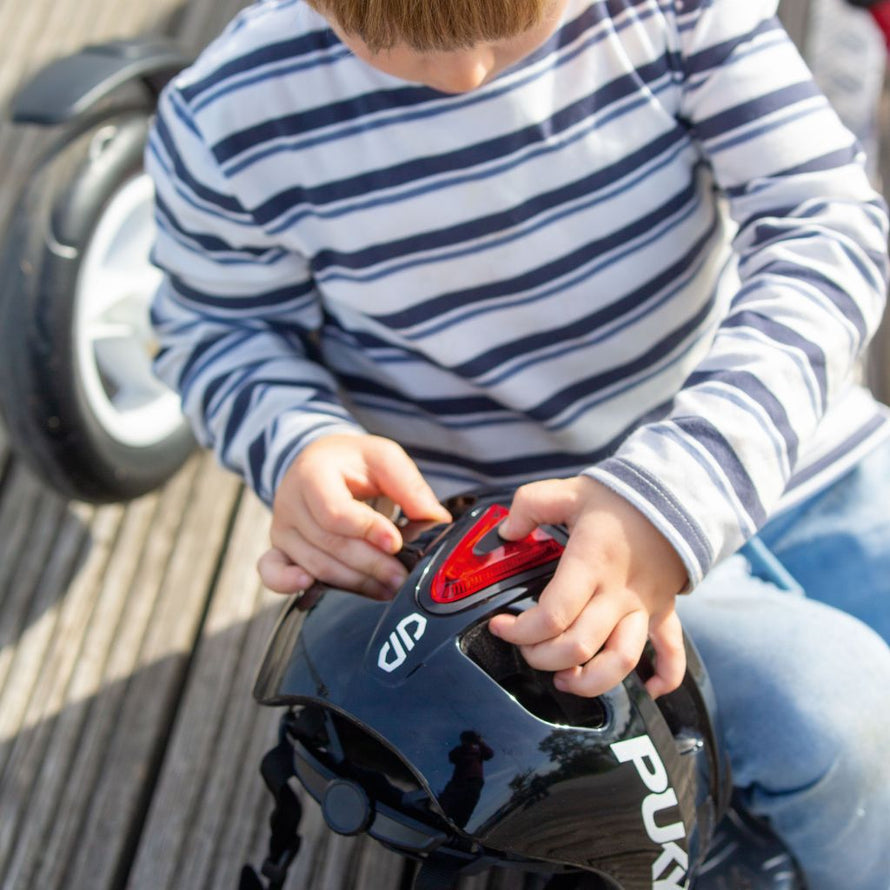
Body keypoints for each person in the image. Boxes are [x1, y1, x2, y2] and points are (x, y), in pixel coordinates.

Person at [145, 0, 890, 886]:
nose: (466, 76)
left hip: (784, 447)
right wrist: (298, 440)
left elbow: (825, 223)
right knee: (829, 706)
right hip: (542, 570)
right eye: (386, 35)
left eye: (511, 23)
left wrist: (677, 492)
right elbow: (218, 329)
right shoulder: (231, 113)